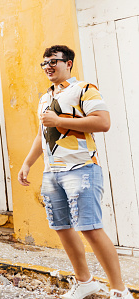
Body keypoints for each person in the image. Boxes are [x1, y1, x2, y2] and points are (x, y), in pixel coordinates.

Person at [18, 45, 133, 299]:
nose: (48, 66)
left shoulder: (84, 88)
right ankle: (85, 282)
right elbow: (42, 134)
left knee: (90, 227)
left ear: (68, 63)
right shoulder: (45, 98)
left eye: (54, 61)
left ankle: (119, 289)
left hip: (81, 167)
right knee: (61, 227)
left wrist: (60, 121)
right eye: (44, 62)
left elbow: (103, 122)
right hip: (52, 173)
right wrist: (28, 163)